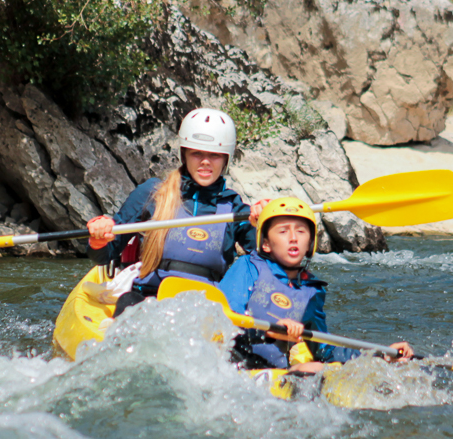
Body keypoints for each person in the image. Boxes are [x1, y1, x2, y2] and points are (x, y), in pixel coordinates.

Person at [86, 108, 264, 316]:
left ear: (226, 159)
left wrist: (266, 222)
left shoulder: (234, 208)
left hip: (205, 310)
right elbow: (106, 254)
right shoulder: (153, 193)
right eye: (197, 153)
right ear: (184, 154)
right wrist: (99, 240)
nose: (205, 161)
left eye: (214, 154)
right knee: (127, 301)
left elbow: (267, 260)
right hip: (149, 299)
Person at [219, 197, 413, 372]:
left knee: (317, 368)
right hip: (237, 363)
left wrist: (381, 354)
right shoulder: (247, 267)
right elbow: (222, 320)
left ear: (310, 243)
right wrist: (270, 332)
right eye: (283, 231)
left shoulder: (311, 291)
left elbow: (324, 349)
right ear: (266, 244)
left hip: (277, 373)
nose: (293, 237)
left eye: (301, 231)